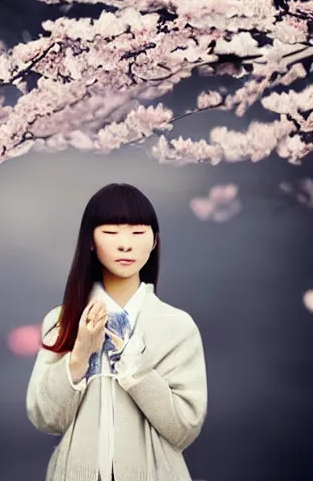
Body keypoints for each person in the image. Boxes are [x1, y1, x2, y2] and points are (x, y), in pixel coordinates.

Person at [26, 183, 208, 481]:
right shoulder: (62, 321)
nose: (126, 245)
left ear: (154, 242)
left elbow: (183, 429)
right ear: (90, 242)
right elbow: (45, 418)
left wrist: (134, 366)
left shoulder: (177, 326)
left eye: (138, 233)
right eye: (110, 233)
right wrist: (81, 352)